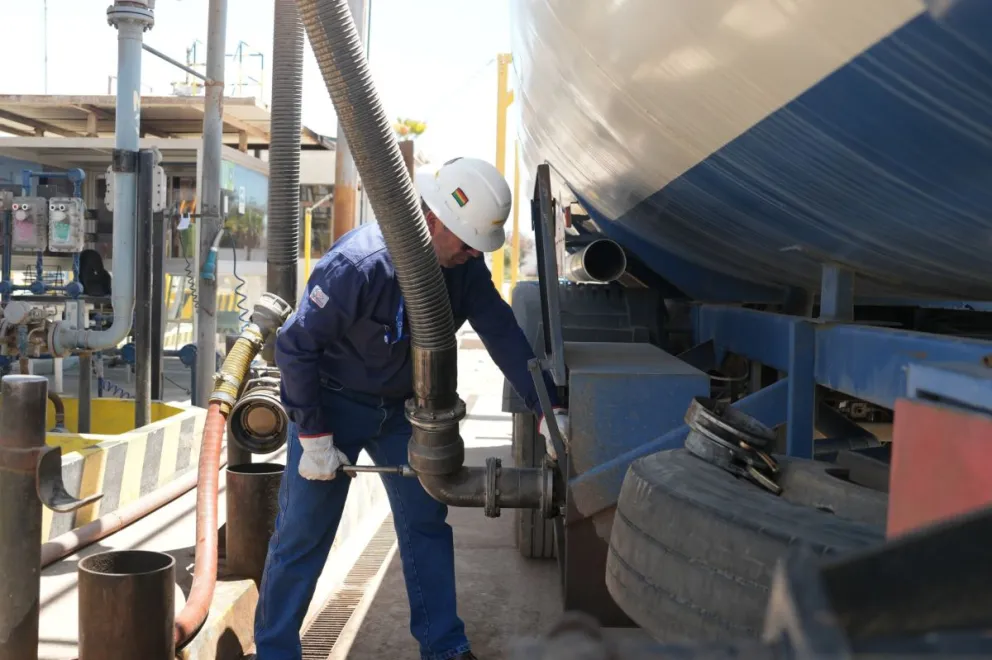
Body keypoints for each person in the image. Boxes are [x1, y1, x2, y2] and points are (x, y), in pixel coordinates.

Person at [253, 156, 570, 660]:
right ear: (435, 219)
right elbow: (295, 346)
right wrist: (313, 435)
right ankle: (275, 652)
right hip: (331, 407)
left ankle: (445, 647)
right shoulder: (360, 264)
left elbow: (502, 332)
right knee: (303, 534)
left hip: (405, 412)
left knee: (426, 521)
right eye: (467, 242)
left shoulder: (464, 269)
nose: (474, 253)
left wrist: (546, 406)